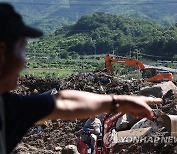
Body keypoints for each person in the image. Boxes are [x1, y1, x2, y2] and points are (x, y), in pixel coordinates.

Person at [0, 3, 162, 154]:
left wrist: (119, 102)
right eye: (22, 49)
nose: (24, 62)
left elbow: (64, 101)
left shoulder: (8, 107)